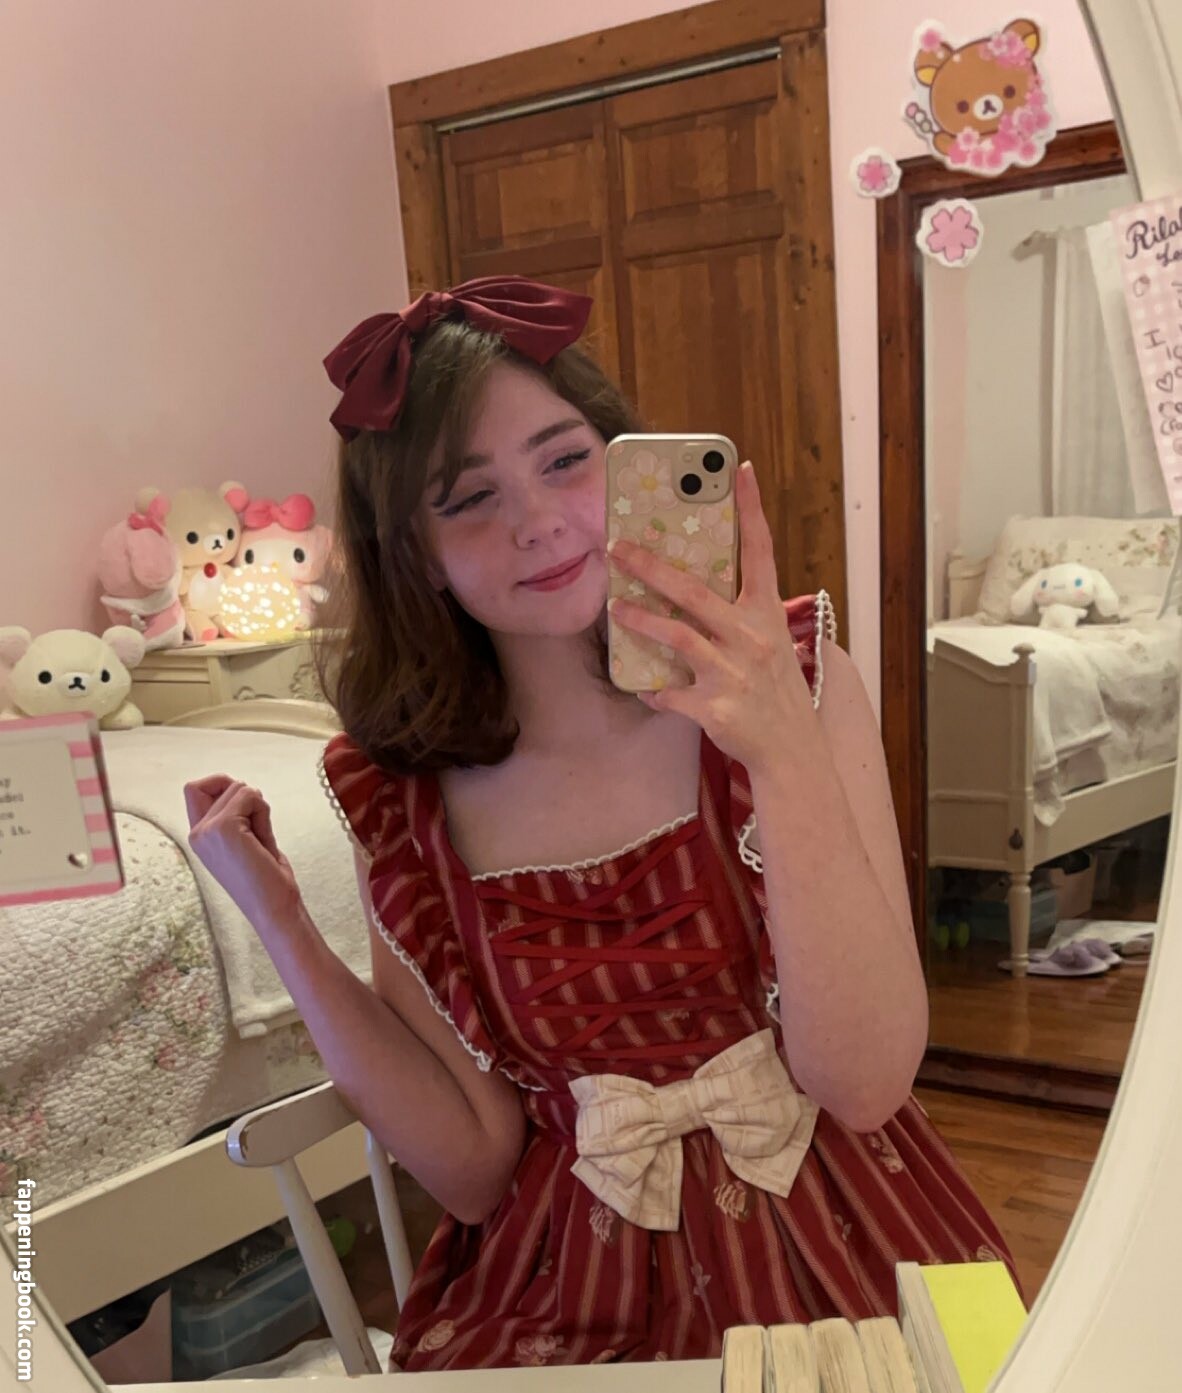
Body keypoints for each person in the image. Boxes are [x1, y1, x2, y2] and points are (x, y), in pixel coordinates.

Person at [184, 276, 1017, 1372]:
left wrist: (778, 748)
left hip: (848, 1237)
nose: (537, 520)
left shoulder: (798, 675)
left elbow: (865, 1082)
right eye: (468, 498)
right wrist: (282, 922)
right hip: (566, 1284)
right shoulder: (402, 797)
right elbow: (472, 1166)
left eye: (566, 459)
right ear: (415, 550)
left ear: (626, 464)